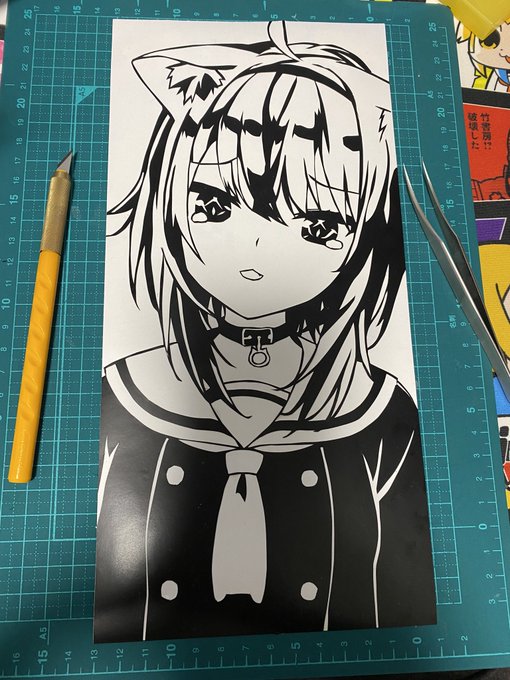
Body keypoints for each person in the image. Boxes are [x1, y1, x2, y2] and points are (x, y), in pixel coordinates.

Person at [94, 22, 436, 643]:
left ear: (365, 231)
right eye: (214, 206)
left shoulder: (381, 418)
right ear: (171, 196)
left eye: (318, 226)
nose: (254, 255)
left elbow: (399, 596)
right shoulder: (121, 397)